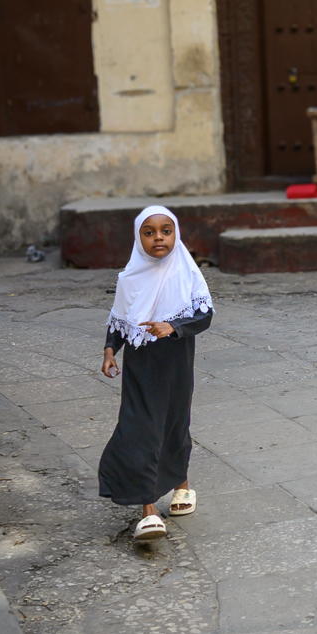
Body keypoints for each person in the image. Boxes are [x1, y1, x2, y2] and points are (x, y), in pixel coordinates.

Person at [99, 207, 214, 542]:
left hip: (176, 363)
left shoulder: (186, 272)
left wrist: (173, 326)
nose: (159, 238)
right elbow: (120, 318)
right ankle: (148, 510)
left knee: (175, 424)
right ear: (138, 238)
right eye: (149, 232)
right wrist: (109, 350)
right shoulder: (129, 278)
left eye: (166, 230)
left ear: (176, 234)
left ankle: (183, 488)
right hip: (140, 367)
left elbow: (204, 315)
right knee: (140, 430)